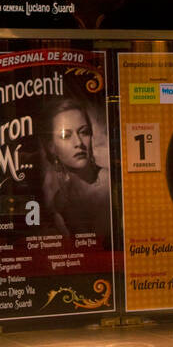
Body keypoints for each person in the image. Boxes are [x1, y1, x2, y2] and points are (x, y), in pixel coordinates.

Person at [38, 98, 111, 245]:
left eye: (84, 132)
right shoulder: (59, 201)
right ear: (51, 147)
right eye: (66, 136)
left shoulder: (110, 183)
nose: (78, 143)